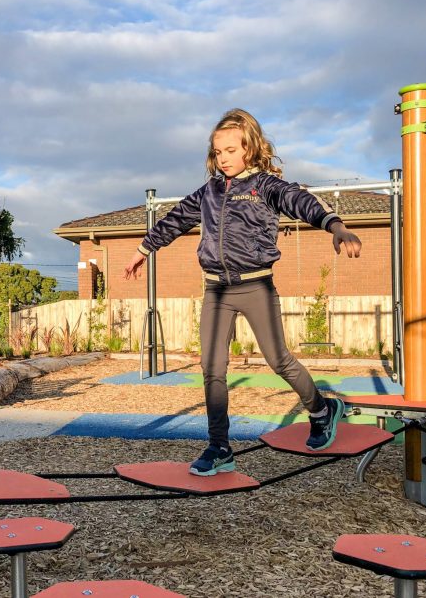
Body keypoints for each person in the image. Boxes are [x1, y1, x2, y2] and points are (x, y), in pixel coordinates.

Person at [123, 108, 362, 476]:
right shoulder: (209, 192)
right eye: (218, 152)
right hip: (216, 291)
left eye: (231, 150)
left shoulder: (266, 186)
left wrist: (335, 226)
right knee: (211, 369)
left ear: (249, 147)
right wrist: (143, 250)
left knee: (278, 359)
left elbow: (303, 202)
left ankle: (321, 409)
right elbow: (174, 219)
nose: (224, 158)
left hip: (255, 286)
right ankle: (219, 446)